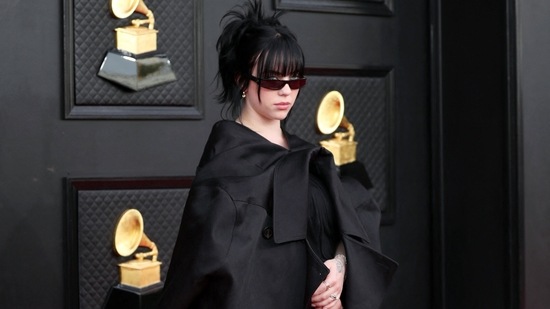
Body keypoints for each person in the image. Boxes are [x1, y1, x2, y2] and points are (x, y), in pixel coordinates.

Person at [157, 1, 397, 308]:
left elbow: (355, 214)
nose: (286, 91)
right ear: (241, 80)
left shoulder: (306, 156)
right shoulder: (227, 168)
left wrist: (340, 266)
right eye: (273, 80)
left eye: (295, 80)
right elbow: (202, 273)